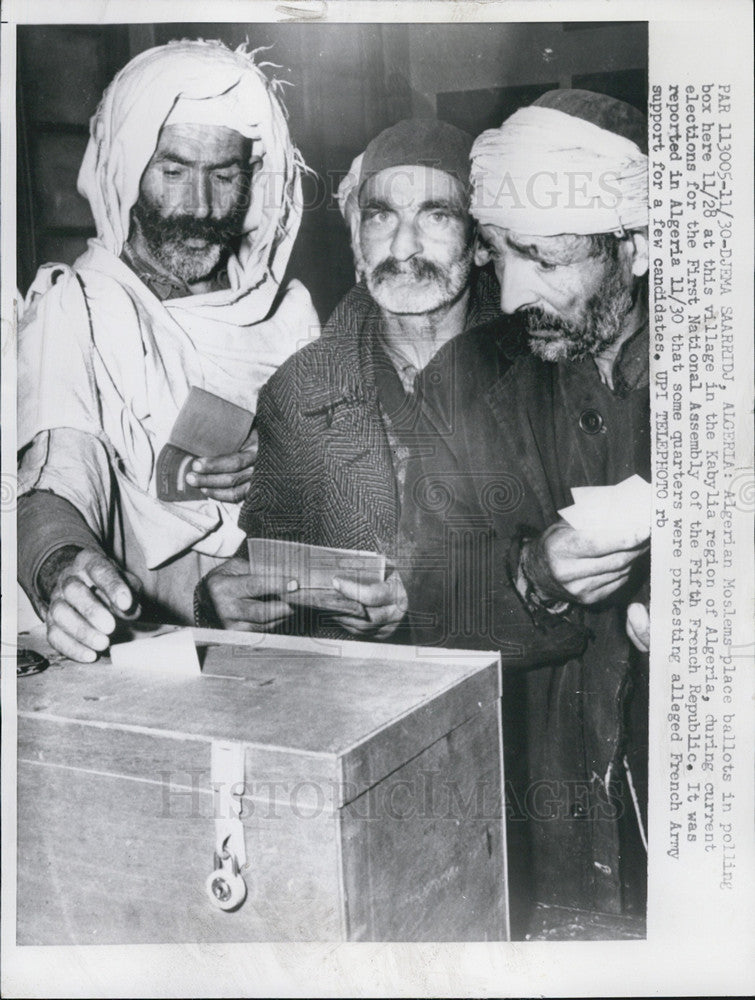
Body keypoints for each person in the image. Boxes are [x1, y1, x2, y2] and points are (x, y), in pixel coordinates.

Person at [401, 90, 651, 927]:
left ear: (638, 248)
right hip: (541, 831)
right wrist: (530, 578)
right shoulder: (466, 382)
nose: (509, 297)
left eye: (544, 257)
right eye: (496, 254)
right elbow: (424, 602)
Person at [17, 40, 319, 662]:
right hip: (144, 660)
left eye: (224, 175)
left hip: (293, 653)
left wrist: (287, 464)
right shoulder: (80, 308)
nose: (200, 208)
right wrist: (64, 571)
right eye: (174, 171)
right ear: (126, 170)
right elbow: (57, 473)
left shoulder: (290, 317)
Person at [197, 118, 541, 641]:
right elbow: (273, 561)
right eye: (381, 216)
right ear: (359, 238)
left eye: (436, 215)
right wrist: (221, 602)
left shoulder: (541, 371)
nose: (403, 247)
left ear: (479, 244)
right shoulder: (301, 388)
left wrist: (428, 600)